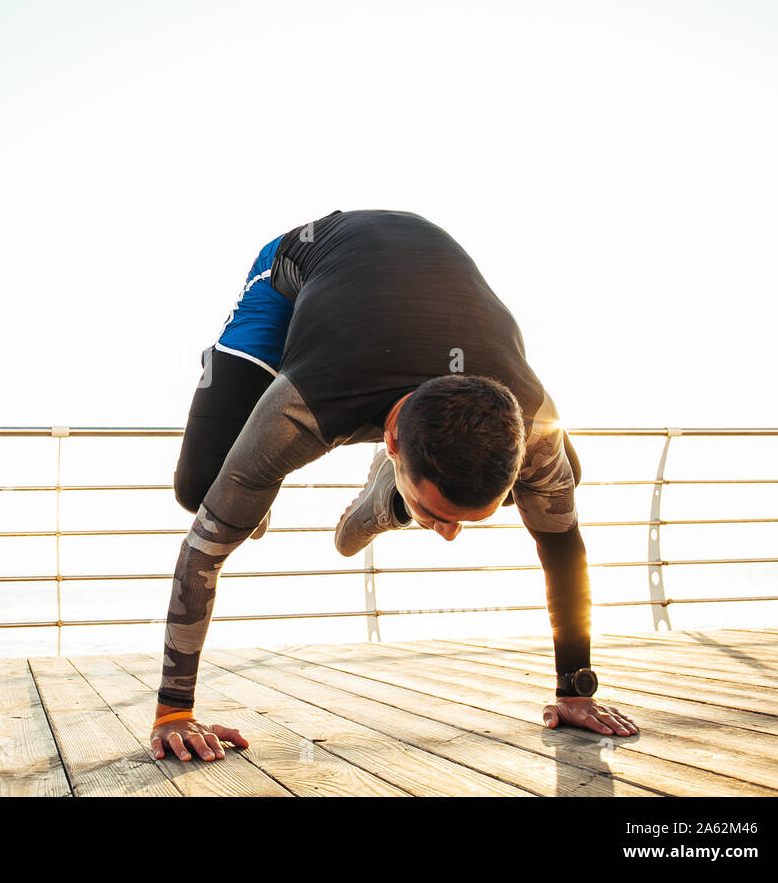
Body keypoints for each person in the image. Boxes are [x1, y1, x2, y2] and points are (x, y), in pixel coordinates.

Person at [153, 209, 638, 763]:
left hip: (425, 280)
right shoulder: (301, 410)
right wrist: (175, 711)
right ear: (391, 438)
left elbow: (562, 543)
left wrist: (574, 690)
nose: (450, 538)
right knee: (206, 489)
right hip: (297, 269)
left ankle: (389, 500)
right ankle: (260, 490)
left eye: (455, 521)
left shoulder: (533, 421)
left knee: (550, 486)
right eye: (440, 516)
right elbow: (202, 553)